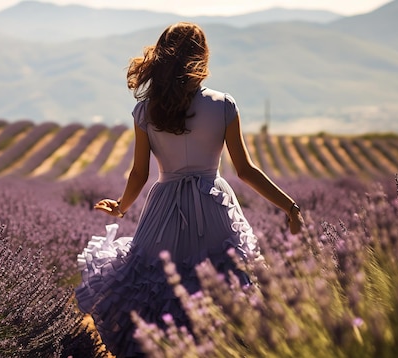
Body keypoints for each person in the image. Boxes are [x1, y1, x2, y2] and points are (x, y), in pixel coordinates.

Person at [75, 22, 305, 357]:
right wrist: (290, 207)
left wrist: (122, 207)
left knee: (153, 287)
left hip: (162, 208)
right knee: (223, 287)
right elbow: (245, 171)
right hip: (213, 206)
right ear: (201, 57)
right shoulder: (223, 105)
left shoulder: (146, 110)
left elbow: (139, 172)